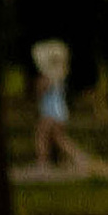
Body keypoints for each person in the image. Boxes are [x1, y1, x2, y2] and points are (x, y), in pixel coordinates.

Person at [29, 38, 87, 174]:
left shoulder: (48, 78)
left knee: (42, 136)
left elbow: (39, 91)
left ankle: (43, 163)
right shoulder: (59, 77)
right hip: (58, 111)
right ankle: (79, 158)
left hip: (52, 112)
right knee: (58, 138)